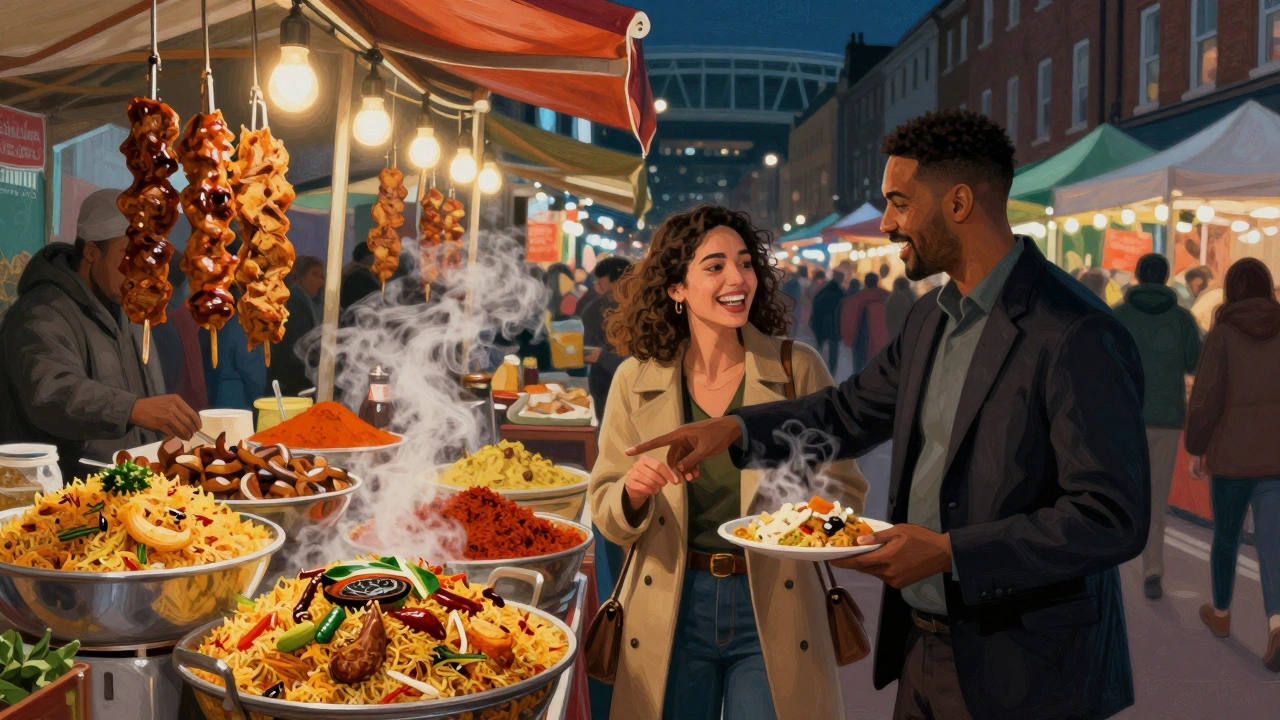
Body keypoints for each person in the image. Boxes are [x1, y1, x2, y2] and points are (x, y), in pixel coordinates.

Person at [627, 111, 1148, 720]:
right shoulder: (931, 318)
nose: (886, 223)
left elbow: (1110, 517)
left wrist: (953, 553)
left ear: (958, 203)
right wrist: (736, 429)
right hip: (924, 648)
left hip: (1030, 672)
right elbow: (847, 412)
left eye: (900, 202)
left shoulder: (1075, 331)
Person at [590, 204, 867, 720]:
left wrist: (801, 515)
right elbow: (605, 509)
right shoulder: (635, 379)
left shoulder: (798, 368)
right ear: (676, 288)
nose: (737, 278)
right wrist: (632, 491)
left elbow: (846, 490)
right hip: (671, 602)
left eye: (744, 263)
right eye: (715, 266)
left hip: (776, 601)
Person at [0, 188, 201, 480]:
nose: (140, 270)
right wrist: (131, 409)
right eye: (128, 254)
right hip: (63, 489)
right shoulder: (40, 312)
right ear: (92, 252)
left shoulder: (128, 307)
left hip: (132, 482)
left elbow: (152, 402)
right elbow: (50, 393)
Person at [1184, 257, 1280, 673]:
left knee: (1226, 537)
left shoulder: (1221, 334)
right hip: (1276, 456)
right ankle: (1277, 624)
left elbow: (1205, 396)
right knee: (1273, 543)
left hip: (1231, 457)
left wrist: (1196, 447)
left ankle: (1221, 613)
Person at [1113, 253, 1202, 600]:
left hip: (1125, 417)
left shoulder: (1118, 315)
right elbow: (1194, 363)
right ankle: (1152, 568)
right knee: (1157, 495)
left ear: (1137, 276)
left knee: (1122, 492)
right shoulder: (1182, 319)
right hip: (1166, 418)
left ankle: (1115, 565)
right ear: (1165, 278)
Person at [583, 257, 633, 419]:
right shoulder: (594, 308)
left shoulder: (639, 310)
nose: (596, 285)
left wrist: (603, 356)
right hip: (601, 385)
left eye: (600, 281)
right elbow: (587, 344)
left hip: (630, 387)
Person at [271, 255, 325, 396]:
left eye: (322, 277)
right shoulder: (295, 301)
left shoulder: (309, 303)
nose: (320, 281)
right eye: (315, 274)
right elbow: (296, 343)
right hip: (294, 378)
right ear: (300, 276)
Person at [840, 272, 890, 373]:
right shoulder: (887, 297)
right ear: (877, 282)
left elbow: (847, 319)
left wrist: (847, 339)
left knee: (858, 369)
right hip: (882, 341)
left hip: (859, 340)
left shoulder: (855, 299)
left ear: (865, 283)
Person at [808, 268, 845, 371]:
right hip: (834, 325)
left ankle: (817, 368)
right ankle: (831, 372)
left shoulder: (824, 289)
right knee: (833, 350)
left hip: (820, 322)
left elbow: (815, 302)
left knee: (819, 347)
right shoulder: (841, 292)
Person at [339, 242, 381, 318]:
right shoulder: (360, 275)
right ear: (365, 256)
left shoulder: (351, 270)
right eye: (373, 254)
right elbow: (372, 298)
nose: (376, 258)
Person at [780, 265, 807, 336]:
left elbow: (794, 300)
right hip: (782, 313)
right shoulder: (780, 282)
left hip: (791, 313)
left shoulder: (794, 284)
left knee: (789, 335)